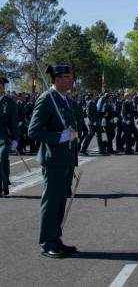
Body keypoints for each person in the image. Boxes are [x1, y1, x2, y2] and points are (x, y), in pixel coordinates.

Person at [28, 65, 79, 258]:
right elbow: (33, 131)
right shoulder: (47, 99)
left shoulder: (64, 100)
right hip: (53, 160)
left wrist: (73, 135)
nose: (70, 80)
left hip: (66, 159)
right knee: (51, 203)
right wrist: (59, 137)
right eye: (67, 77)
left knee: (59, 202)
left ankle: (56, 238)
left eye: (70, 76)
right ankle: (47, 242)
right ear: (56, 79)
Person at [0, 77, 19, 196]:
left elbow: (14, 122)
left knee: (2, 160)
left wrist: (15, 139)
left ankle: (5, 184)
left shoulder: (9, 102)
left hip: (4, 136)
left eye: (0, 86)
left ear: (3, 88)